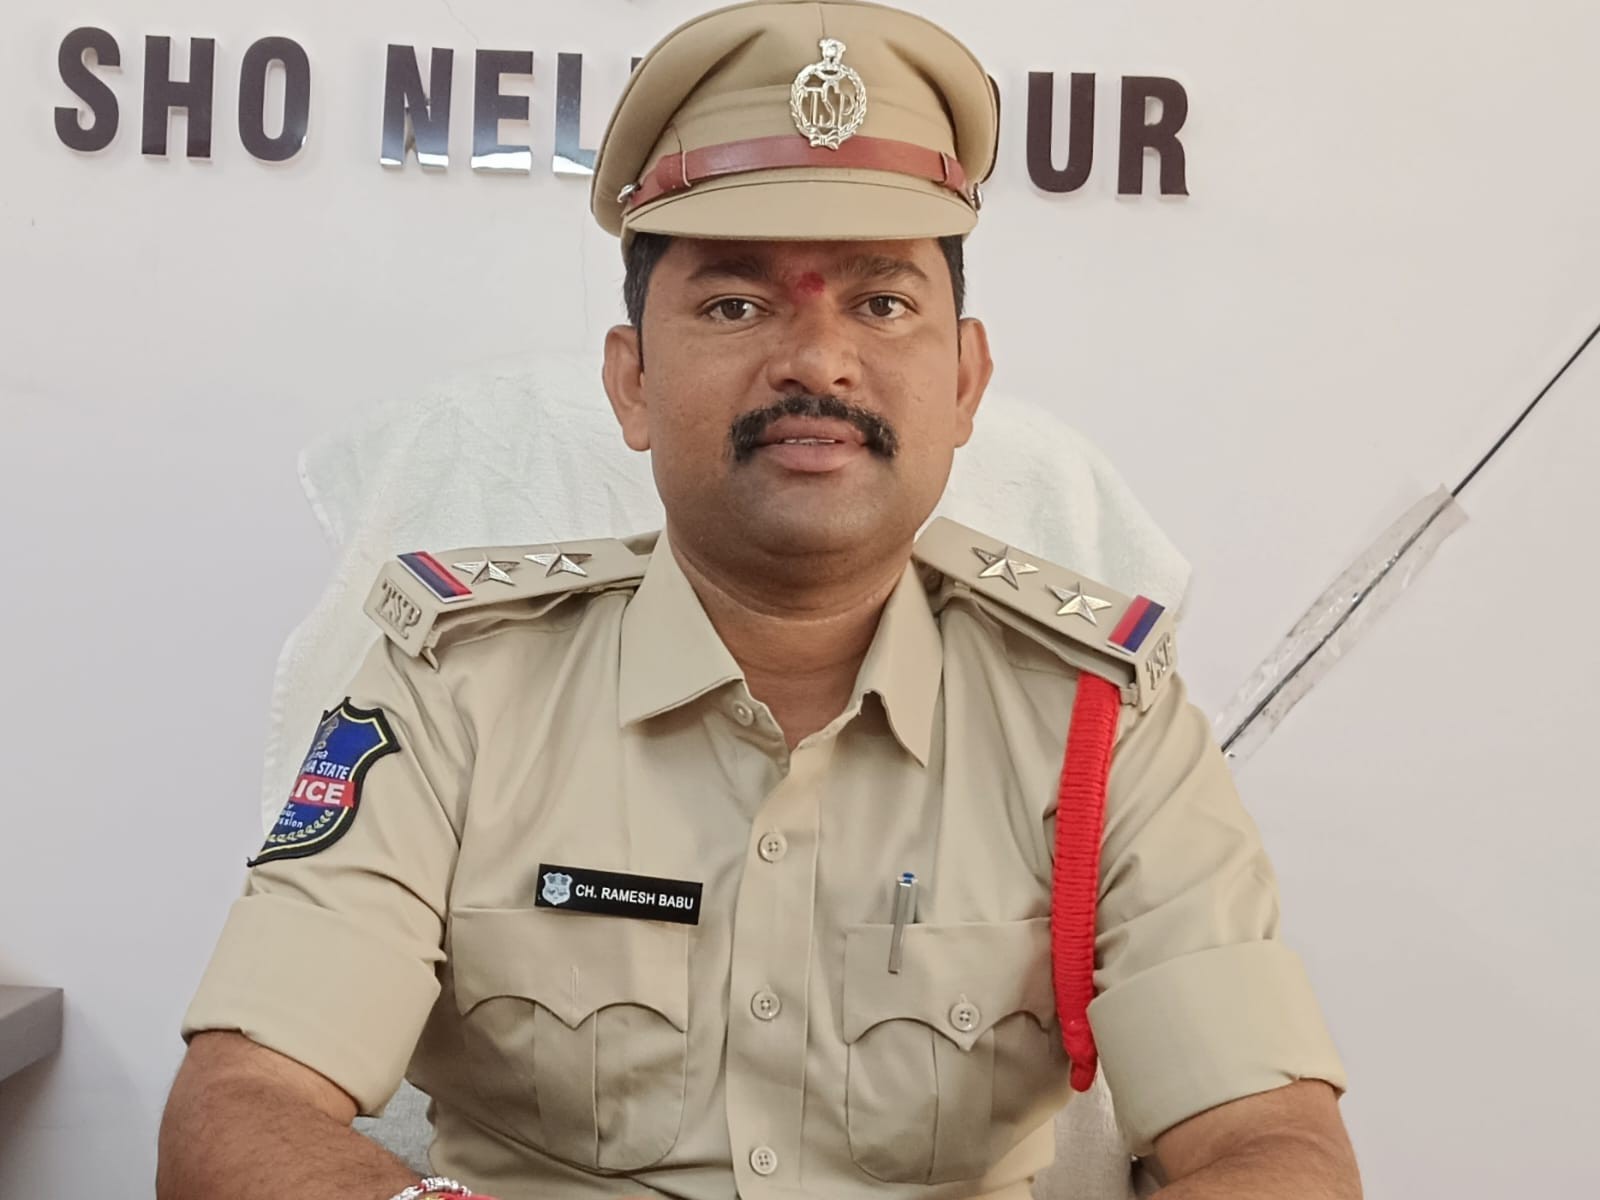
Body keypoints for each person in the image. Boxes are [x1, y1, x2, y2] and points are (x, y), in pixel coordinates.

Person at [156, 2, 1360, 1199]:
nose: (817, 361)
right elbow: (241, 1109)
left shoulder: (1098, 719)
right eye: (735, 305)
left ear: (963, 381)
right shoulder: (457, 690)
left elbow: (1271, 1148)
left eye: (881, 304)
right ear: (631, 382)